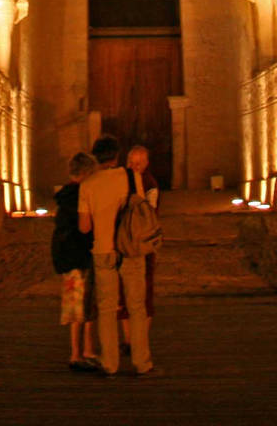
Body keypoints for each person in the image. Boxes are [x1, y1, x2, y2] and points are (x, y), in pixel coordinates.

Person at [78, 134, 155, 376]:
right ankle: (142, 362)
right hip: (131, 250)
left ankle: (110, 363)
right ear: (117, 156)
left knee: (107, 308)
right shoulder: (132, 177)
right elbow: (142, 211)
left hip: (103, 251)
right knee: (137, 308)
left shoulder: (87, 184)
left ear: (95, 157)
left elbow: (85, 227)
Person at [52, 152, 98, 372]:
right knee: (81, 306)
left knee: (80, 306)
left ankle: (83, 351)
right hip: (78, 256)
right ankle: (77, 353)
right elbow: (84, 228)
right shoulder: (80, 195)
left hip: (69, 256)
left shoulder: (65, 196)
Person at [125, 144, 161, 320]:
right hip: (126, 245)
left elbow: (148, 214)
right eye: (131, 163)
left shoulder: (150, 185)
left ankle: (142, 338)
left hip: (144, 243)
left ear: (146, 164)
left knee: (145, 290)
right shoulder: (123, 181)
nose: (134, 167)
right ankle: (128, 342)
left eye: (138, 163)